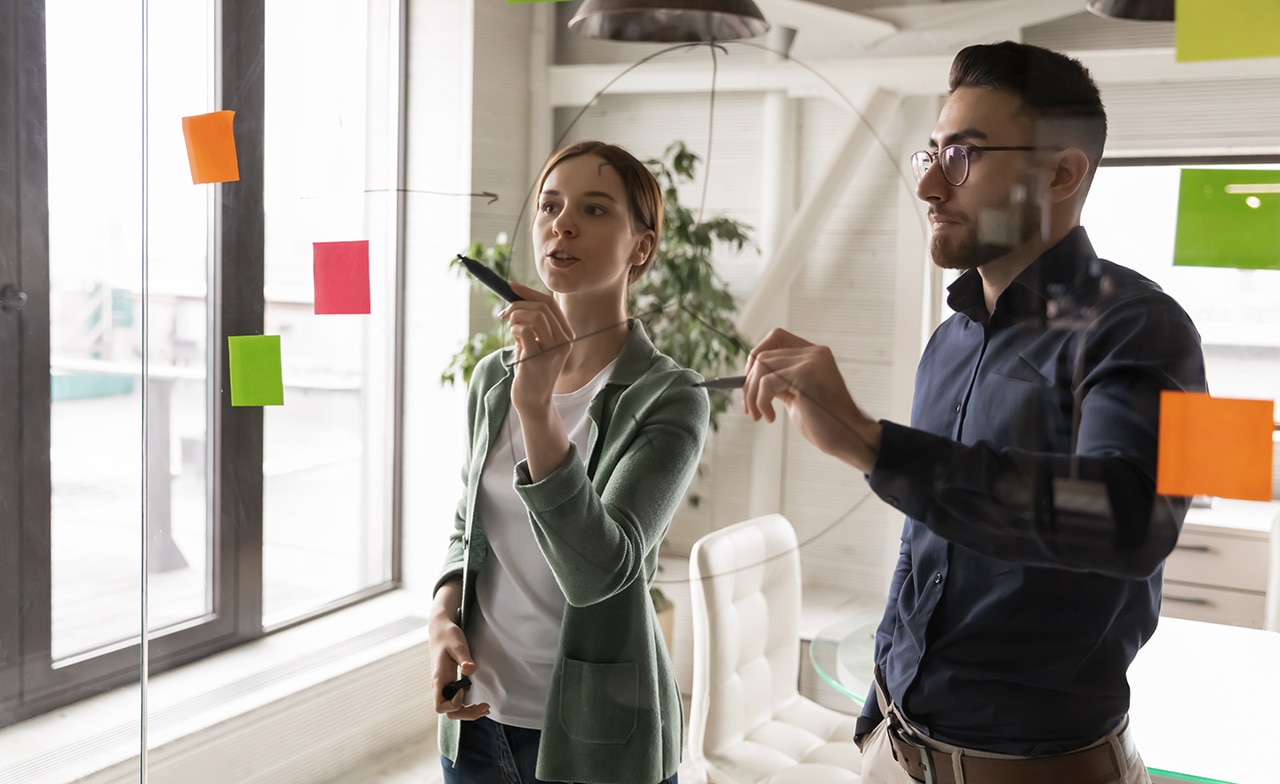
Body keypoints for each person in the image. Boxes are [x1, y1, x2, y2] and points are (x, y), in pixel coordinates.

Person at [741, 42, 1206, 784]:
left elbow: (1132, 523)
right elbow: (926, 543)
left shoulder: (1149, 327)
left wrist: (872, 443)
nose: (927, 183)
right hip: (892, 747)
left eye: (963, 155)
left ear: (1061, 172)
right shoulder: (950, 340)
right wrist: (879, 709)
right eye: (931, 151)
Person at [429, 140, 709, 784]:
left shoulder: (670, 397)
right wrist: (441, 619)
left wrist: (538, 410)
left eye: (595, 208)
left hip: (599, 741)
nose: (563, 223)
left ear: (642, 246)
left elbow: (602, 572)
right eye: (549, 207)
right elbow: (467, 529)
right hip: (475, 722)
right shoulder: (491, 381)